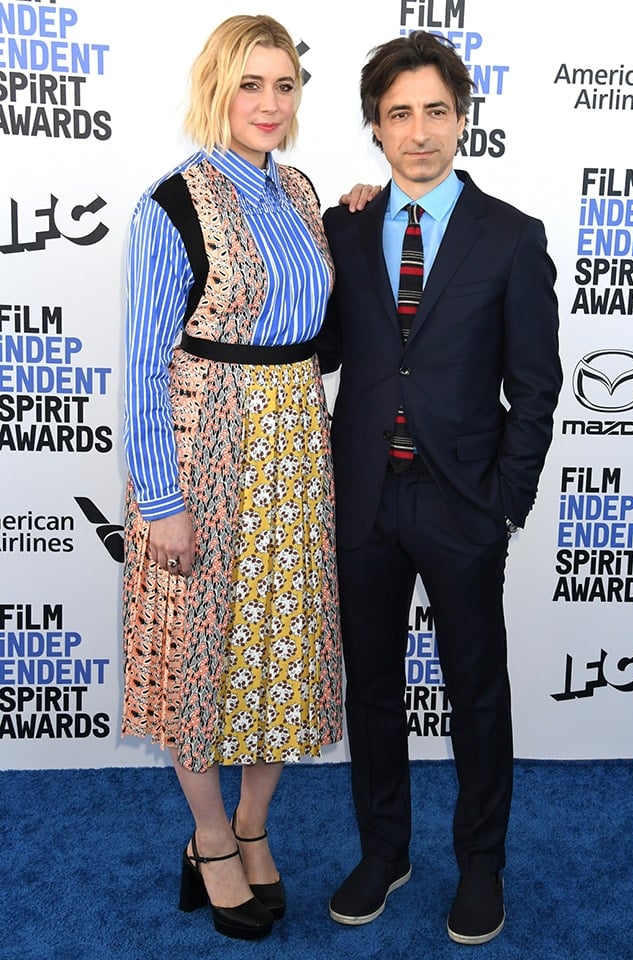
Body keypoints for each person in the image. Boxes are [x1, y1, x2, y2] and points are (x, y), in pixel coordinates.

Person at [120, 14, 375, 942]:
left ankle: (256, 826)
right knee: (193, 656)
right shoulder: (171, 204)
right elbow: (145, 366)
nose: (270, 104)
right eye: (250, 84)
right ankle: (211, 837)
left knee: (282, 648)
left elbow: (331, 312)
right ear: (216, 89)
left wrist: (361, 215)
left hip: (298, 451)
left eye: (285, 86)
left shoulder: (305, 191)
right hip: (202, 449)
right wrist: (161, 502)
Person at [316, 31, 562, 945]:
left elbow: (535, 385)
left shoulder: (511, 236)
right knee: (372, 686)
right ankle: (385, 851)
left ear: (463, 119)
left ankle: (482, 863)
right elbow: (331, 346)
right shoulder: (343, 225)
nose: (418, 132)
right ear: (374, 127)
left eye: (436, 111)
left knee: (476, 690)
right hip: (365, 498)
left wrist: (503, 500)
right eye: (398, 114)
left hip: (464, 505)